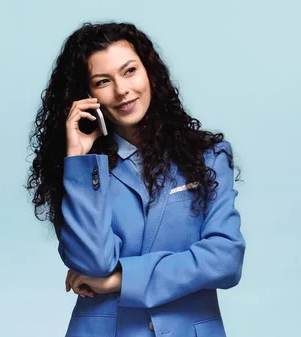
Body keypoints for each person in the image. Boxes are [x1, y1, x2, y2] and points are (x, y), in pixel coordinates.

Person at [26, 21, 245, 337]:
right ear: (87, 94)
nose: (122, 90)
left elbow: (226, 258)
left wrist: (121, 280)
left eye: (129, 71)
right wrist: (79, 158)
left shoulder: (209, 156)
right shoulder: (82, 170)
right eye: (103, 81)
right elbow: (93, 265)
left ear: (149, 73)